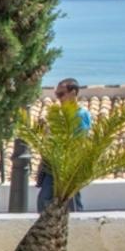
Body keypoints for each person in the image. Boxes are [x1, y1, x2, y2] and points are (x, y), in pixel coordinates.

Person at [37, 77, 91, 213]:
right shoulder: (59, 115)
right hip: (54, 164)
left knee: (70, 200)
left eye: (61, 94)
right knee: (45, 199)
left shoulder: (81, 114)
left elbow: (80, 139)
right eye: (57, 95)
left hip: (69, 165)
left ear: (73, 93)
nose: (59, 98)